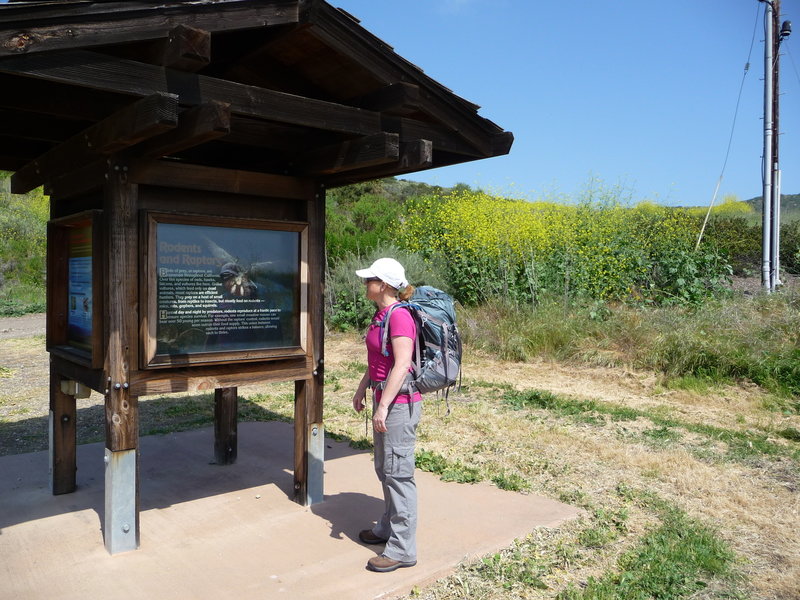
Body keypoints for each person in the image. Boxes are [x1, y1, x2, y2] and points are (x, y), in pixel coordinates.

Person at [352, 258, 422, 573]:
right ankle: (387, 528)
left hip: (398, 405)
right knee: (385, 469)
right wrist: (362, 388)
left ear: (384, 284)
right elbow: (379, 360)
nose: (365, 283)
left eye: (370, 279)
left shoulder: (400, 317)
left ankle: (403, 549)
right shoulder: (381, 315)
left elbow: (403, 362)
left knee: (399, 475)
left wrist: (383, 406)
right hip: (385, 399)